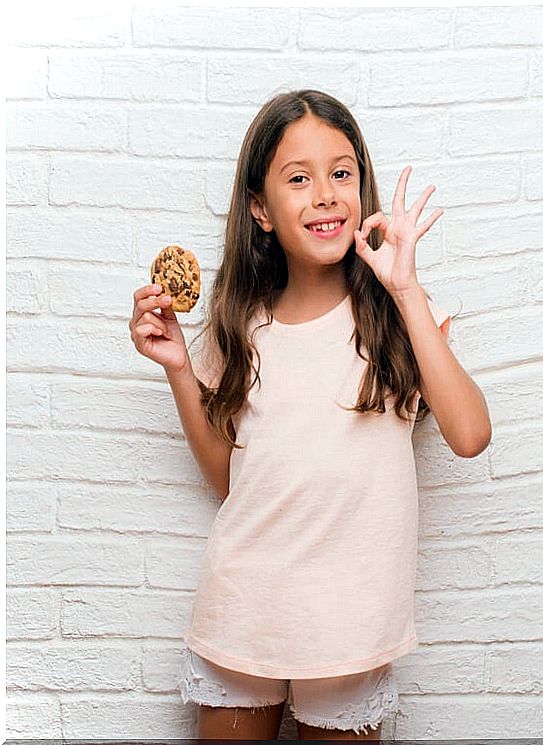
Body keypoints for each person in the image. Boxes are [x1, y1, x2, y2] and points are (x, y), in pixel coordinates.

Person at [128, 89, 492, 741]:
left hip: (349, 625)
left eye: (341, 172)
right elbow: (228, 481)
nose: (325, 193)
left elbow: (469, 433)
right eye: (299, 178)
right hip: (244, 608)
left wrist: (405, 289)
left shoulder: (396, 318)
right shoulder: (241, 326)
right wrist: (181, 368)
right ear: (261, 210)